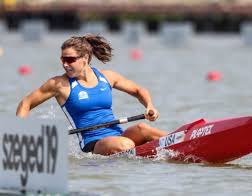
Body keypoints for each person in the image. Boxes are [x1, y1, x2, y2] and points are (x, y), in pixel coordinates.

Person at [16, 34, 167, 155]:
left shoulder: (107, 77)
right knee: (125, 144)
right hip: (93, 143)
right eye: (63, 59)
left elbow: (138, 90)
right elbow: (25, 104)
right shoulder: (59, 84)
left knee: (143, 128)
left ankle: (178, 142)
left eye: (70, 59)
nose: (65, 64)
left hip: (117, 135)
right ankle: (145, 151)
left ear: (85, 58)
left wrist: (149, 106)